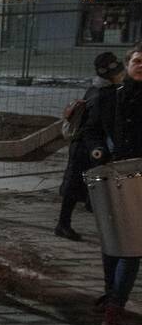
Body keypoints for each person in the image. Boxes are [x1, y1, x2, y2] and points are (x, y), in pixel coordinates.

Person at [83, 43, 142, 325]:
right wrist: (96, 151)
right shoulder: (110, 98)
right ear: (128, 64)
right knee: (112, 243)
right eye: (137, 60)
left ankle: (114, 310)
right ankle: (111, 296)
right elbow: (91, 131)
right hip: (115, 178)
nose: (141, 65)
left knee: (132, 249)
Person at [56, 52, 124, 241]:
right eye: (119, 71)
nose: (122, 73)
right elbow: (93, 126)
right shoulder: (105, 95)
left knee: (83, 186)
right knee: (74, 188)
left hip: (87, 147)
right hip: (87, 148)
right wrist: (100, 150)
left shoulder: (97, 89)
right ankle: (63, 225)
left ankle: (76, 216)